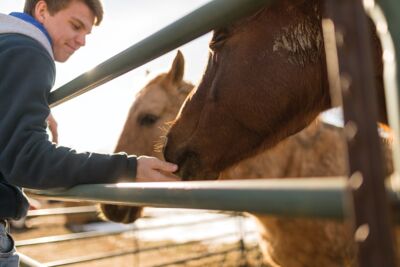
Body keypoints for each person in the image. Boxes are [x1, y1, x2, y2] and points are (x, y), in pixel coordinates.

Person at [0, 0, 178, 265]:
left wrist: (23, 102)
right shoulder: (30, 51)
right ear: (42, 10)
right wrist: (128, 168)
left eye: (87, 33)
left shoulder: (8, 46)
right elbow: (28, 159)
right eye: (75, 26)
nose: (82, 40)